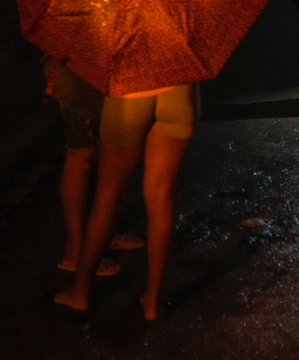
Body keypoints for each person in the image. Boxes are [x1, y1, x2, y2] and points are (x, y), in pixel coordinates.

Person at [54, 83, 198, 321]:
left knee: (108, 198)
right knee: (162, 199)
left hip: (129, 97)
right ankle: (152, 302)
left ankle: (80, 292)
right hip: (180, 96)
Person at [41, 55, 144, 278]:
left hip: (99, 67)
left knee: (102, 152)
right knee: (82, 156)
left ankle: (99, 235)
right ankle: (75, 251)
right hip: (77, 69)